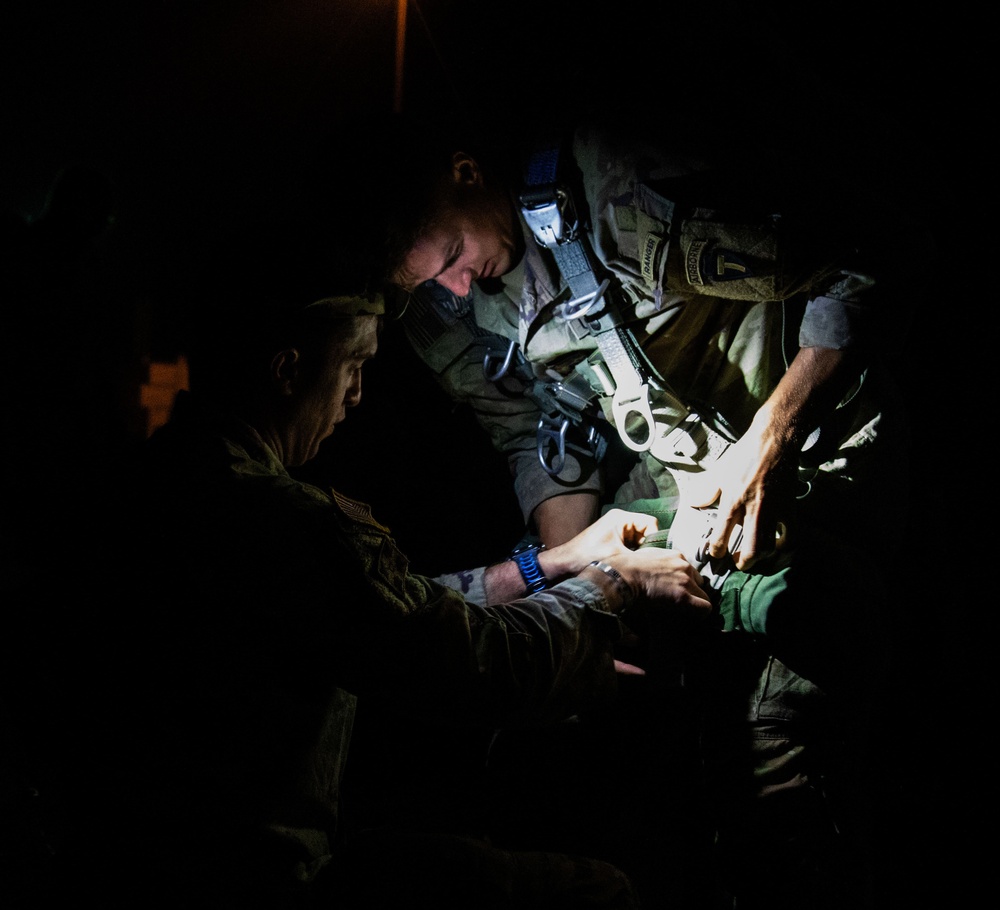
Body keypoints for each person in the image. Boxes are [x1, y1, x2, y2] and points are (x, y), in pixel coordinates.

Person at [63, 227, 714, 910]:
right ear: (287, 371)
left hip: (123, 871)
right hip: (253, 883)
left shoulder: (154, 486)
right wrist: (615, 583)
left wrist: (547, 564)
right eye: (352, 367)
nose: (355, 398)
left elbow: (383, 610)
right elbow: (472, 667)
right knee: (597, 894)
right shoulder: (281, 519)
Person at [379, 112, 934, 908]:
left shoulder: (625, 189)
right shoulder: (451, 298)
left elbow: (870, 250)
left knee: (773, 748)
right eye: (434, 281)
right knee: (603, 755)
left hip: (814, 463)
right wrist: (578, 610)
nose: (458, 289)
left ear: (467, 172)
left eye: (456, 258)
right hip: (679, 495)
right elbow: (535, 432)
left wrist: (768, 440)